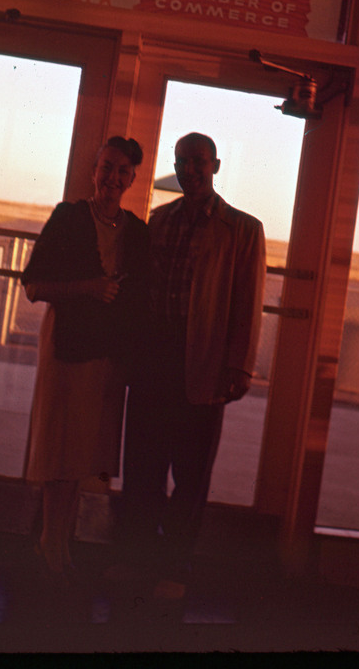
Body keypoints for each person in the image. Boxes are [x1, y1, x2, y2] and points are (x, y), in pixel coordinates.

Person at [117, 132, 266, 597]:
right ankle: (136, 562)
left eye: (199, 162)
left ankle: (174, 570)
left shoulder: (242, 229)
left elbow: (248, 304)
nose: (191, 170)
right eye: (183, 162)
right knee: (142, 471)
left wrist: (239, 367)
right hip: (152, 361)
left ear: (216, 166)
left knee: (190, 476)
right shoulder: (158, 221)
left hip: (201, 364)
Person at [21, 136, 149, 580]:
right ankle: (51, 541)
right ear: (93, 170)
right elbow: (34, 285)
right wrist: (87, 287)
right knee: (59, 449)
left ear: (132, 179)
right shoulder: (68, 218)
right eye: (106, 168)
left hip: (105, 357)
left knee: (79, 453)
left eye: (122, 172)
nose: (112, 178)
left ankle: (58, 541)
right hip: (67, 349)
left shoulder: (137, 232)